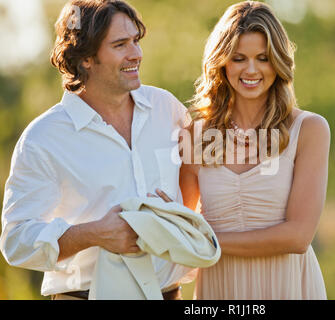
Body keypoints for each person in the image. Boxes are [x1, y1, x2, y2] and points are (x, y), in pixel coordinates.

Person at [0, 0, 193, 300]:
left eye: (136, 41)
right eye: (120, 45)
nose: (136, 54)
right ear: (86, 57)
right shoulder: (43, 138)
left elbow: (204, 184)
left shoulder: (166, 109)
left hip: (169, 294)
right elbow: (16, 242)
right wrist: (93, 234)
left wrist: (178, 218)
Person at [176, 1, 330, 299]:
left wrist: (208, 241)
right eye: (238, 58)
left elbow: (298, 237)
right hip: (220, 291)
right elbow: (182, 233)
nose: (251, 69)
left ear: (278, 62)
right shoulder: (195, 136)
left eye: (263, 58)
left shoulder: (309, 130)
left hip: (289, 287)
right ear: (221, 62)